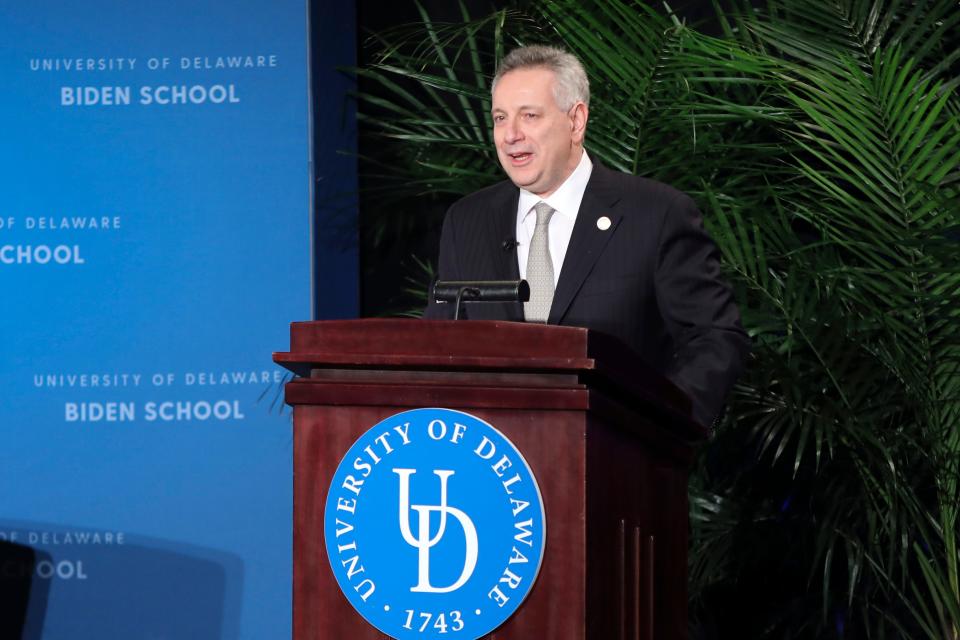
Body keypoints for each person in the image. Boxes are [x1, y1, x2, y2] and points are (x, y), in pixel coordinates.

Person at [424, 45, 749, 427]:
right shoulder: (468, 221)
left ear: (576, 121)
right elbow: (436, 346)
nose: (510, 135)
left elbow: (714, 338)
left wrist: (664, 430)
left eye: (529, 115)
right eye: (500, 118)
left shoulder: (655, 214)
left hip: (617, 459)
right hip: (492, 466)